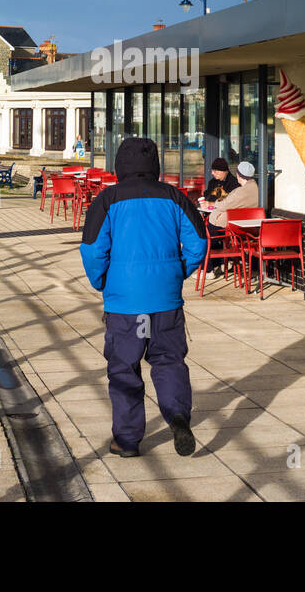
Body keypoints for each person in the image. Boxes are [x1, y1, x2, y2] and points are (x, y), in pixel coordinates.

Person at [80, 137, 208, 459]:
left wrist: (103, 283)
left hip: (125, 306)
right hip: (165, 302)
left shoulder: (106, 199)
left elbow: (93, 249)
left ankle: (126, 440)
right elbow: (199, 243)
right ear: (155, 166)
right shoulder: (175, 197)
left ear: (119, 165)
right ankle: (178, 416)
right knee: (168, 361)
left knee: (124, 368)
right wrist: (177, 273)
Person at [207, 161, 259, 229]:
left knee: (207, 230)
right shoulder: (256, 189)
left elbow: (224, 205)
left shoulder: (241, 191)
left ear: (238, 175)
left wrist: (215, 203)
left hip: (229, 226)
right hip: (248, 224)